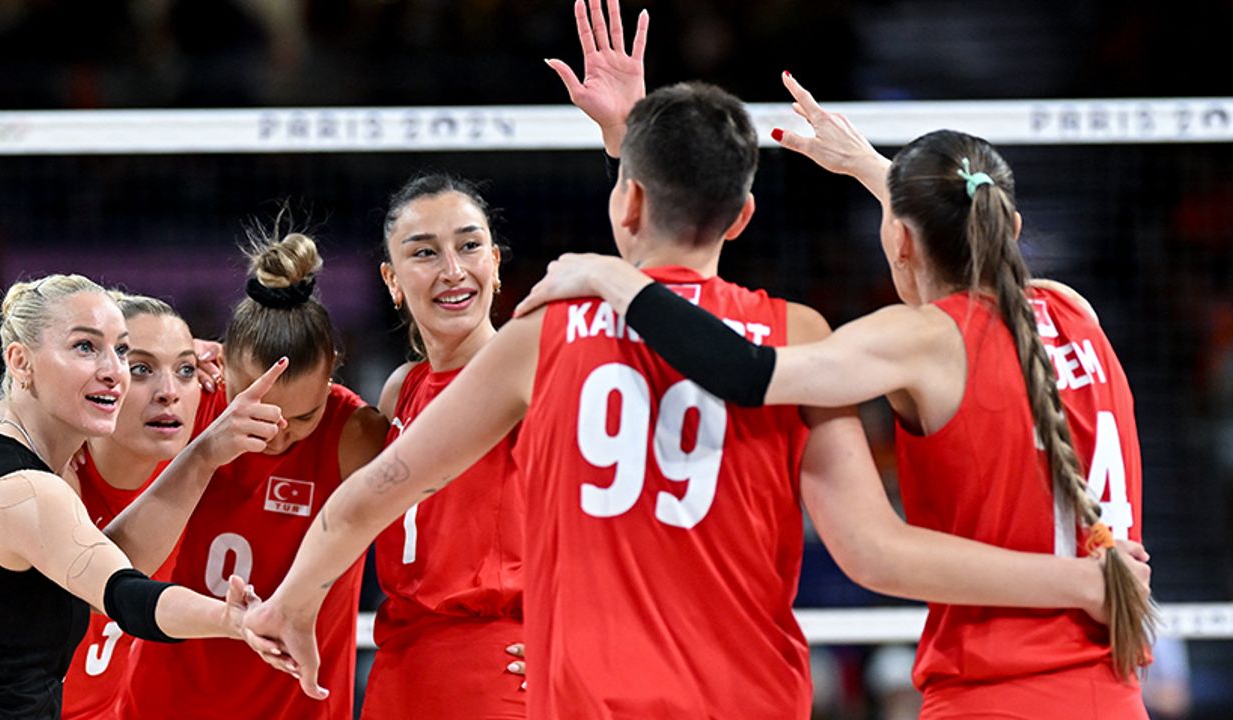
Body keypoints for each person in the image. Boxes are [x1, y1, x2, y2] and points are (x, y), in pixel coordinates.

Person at [245, 77, 1148, 717]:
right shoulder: (805, 334)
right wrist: (878, 173)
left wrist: (290, 600)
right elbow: (866, 541)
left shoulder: (546, 334)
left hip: (588, 698)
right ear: (744, 216)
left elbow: (375, 491)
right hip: (759, 696)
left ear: (624, 202)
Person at [512, 73, 1156, 718]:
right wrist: (878, 172)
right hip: (1114, 690)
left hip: (1000, 690)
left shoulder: (919, 340)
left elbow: (742, 369)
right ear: (1007, 225)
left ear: (899, 240)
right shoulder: (1074, 310)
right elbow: (969, 232)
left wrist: (611, 276)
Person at [0, 274, 290, 719]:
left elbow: (108, 562)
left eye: (122, 350)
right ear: (19, 361)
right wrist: (233, 620)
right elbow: (122, 593)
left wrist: (203, 446)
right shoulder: (26, 490)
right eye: (85, 347)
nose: (113, 371)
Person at [122, 226, 387, 720]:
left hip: (296, 704)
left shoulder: (355, 434)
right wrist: (173, 363)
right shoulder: (183, 405)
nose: (278, 436)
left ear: (334, 369)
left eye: (302, 418)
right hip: (165, 699)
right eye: (256, 412)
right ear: (221, 365)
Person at [360, 173, 525, 719]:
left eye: (470, 245)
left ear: (496, 264)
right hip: (400, 667)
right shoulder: (400, 389)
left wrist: (588, 634)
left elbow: (620, 512)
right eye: (425, 252)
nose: (453, 271)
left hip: (499, 671)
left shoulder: (531, 373)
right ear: (393, 279)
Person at [59, 294, 204, 719]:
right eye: (141, 369)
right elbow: (100, 585)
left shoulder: (192, 443)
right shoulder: (39, 467)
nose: (168, 393)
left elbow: (295, 370)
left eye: (186, 369)